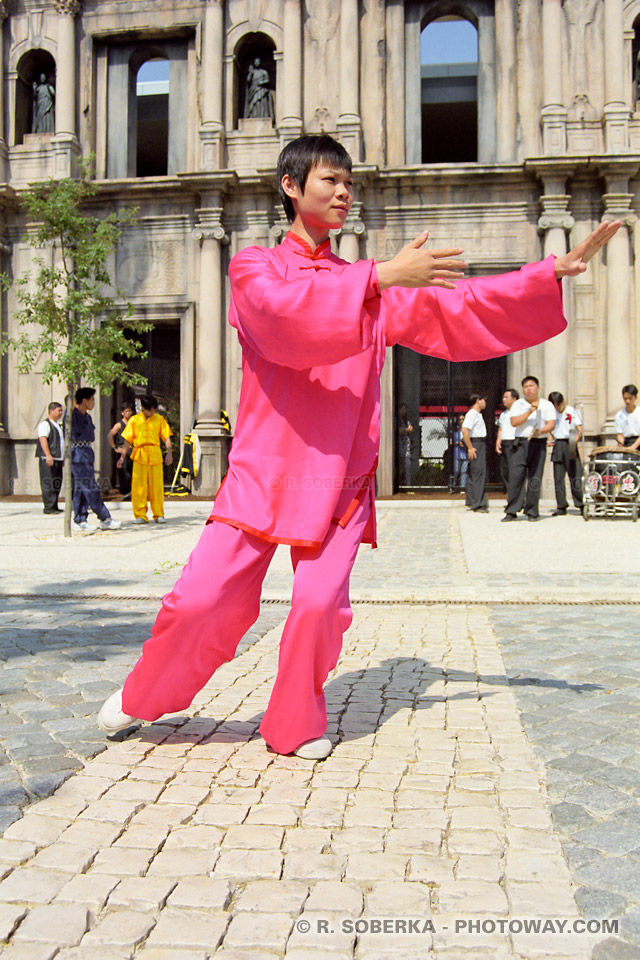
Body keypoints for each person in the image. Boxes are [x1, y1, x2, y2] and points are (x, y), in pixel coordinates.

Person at [97, 134, 619, 760]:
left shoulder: (370, 289)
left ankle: (293, 722)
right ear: (291, 187)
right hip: (265, 468)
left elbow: (458, 308)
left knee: (318, 605)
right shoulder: (253, 268)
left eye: (349, 183)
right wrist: (381, 276)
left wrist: (543, 275)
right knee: (204, 599)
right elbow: (285, 320)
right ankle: (144, 695)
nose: (344, 193)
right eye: (329, 181)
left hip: (338, 472)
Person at [502, 376, 557, 522]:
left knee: (535, 477)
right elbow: (514, 422)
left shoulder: (546, 405)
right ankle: (512, 510)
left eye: (531, 386)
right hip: (520, 443)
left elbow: (552, 423)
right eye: (525, 386)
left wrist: (543, 430)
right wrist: (529, 412)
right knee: (516, 477)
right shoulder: (518, 404)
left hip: (538, 442)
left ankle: (532, 511)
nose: (528, 389)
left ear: (538, 388)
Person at [71, 387, 121, 533]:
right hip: (78, 455)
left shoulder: (87, 416)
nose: (93, 403)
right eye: (92, 399)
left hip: (86, 453)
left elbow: (90, 436)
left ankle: (80, 519)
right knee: (90, 487)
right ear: (84, 400)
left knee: (80, 490)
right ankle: (104, 518)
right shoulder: (73, 415)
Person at [118, 395, 173, 524]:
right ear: (143, 408)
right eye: (150, 409)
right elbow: (127, 441)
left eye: (154, 409)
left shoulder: (159, 419)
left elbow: (166, 437)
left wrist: (169, 453)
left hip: (155, 454)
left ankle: (158, 513)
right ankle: (140, 515)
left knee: (157, 486)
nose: (152, 412)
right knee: (138, 486)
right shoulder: (134, 420)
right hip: (139, 454)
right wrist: (122, 457)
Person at [548, 391, 584, 515]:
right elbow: (548, 428)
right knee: (558, 478)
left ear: (562, 402)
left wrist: (575, 441)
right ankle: (561, 505)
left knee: (575, 476)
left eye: (558, 405)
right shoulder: (552, 413)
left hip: (570, 442)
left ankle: (581, 503)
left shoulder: (572, 411)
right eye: (555, 405)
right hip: (558, 444)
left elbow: (580, 430)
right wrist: (550, 438)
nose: (557, 408)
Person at [36, 401, 64, 514]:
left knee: (56, 482)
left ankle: (54, 506)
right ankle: (48, 507)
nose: (61, 413)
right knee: (48, 482)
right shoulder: (45, 424)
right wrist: (48, 454)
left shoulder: (57, 425)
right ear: (51, 411)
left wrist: (62, 458)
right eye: (59, 410)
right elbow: (43, 439)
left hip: (57, 458)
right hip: (49, 458)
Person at [462, 393, 488, 512]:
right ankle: (478, 503)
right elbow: (465, 429)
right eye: (484, 400)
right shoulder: (472, 414)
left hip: (479, 443)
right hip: (476, 443)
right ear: (478, 400)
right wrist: (470, 447)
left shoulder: (477, 414)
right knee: (478, 472)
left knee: (475, 472)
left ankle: (472, 500)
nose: (485, 403)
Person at [107, 403, 134, 498]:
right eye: (126, 411)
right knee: (124, 473)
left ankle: (133, 493)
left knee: (133, 472)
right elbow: (109, 435)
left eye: (129, 411)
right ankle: (125, 493)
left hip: (133, 449)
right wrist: (115, 448)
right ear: (122, 413)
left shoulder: (133, 422)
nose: (128, 413)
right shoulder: (119, 425)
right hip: (122, 450)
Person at [496, 388, 519, 494]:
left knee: (514, 471)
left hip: (514, 443)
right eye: (503, 397)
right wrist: (498, 441)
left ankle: (517, 497)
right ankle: (510, 496)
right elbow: (500, 428)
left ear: (514, 399)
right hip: (505, 443)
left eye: (506, 397)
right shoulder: (503, 414)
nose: (503, 399)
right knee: (504, 471)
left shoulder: (519, 412)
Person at [614, 384, 640, 450]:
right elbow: (620, 434)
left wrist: (633, 447)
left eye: (630, 398)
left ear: (635, 398)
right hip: (627, 442)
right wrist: (621, 446)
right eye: (625, 398)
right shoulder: (619, 415)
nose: (627, 401)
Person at [397, 402, 414, 487]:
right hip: (399, 444)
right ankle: (399, 484)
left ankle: (408, 485)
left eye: (405, 409)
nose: (404, 411)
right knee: (400, 463)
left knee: (407, 463)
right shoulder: (396, 419)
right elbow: (398, 431)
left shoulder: (405, 420)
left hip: (406, 444)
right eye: (402, 409)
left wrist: (405, 429)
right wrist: (406, 429)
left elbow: (411, 428)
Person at [452, 415, 467, 490]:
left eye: (463, 419)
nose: (461, 421)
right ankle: (453, 485)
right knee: (456, 470)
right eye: (460, 419)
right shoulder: (455, 431)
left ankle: (462, 487)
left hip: (465, 453)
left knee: (464, 471)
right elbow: (451, 442)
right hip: (457, 453)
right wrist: (458, 443)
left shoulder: (467, 430)